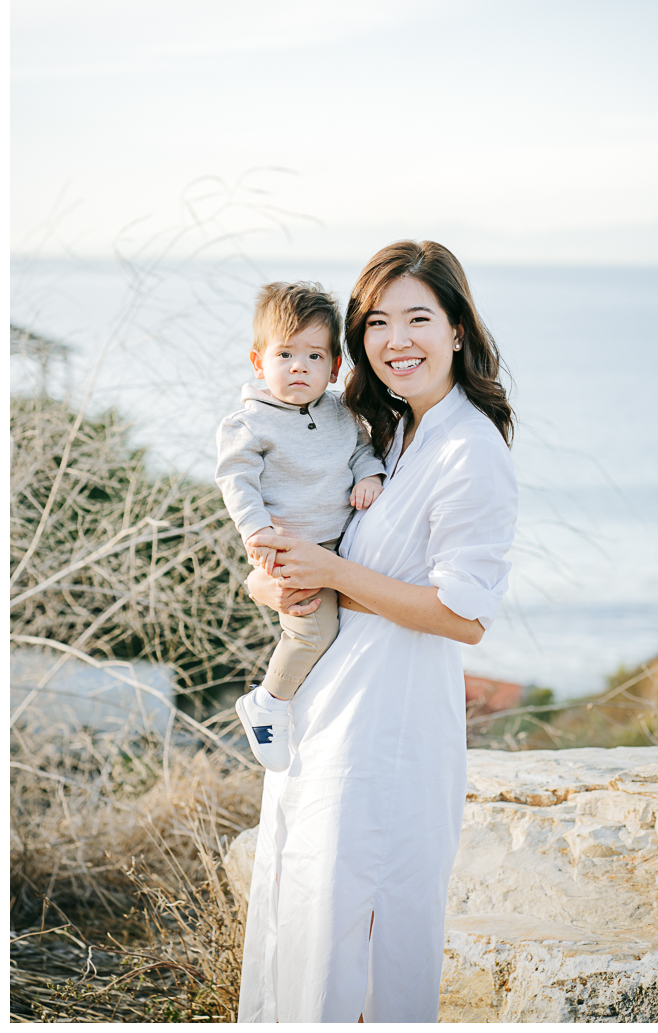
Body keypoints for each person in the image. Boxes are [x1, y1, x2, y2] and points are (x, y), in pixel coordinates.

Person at [237, 241, 517, 1023]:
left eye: (419, 318)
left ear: (457, 329)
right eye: (377, 322)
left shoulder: (470, 449)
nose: (397, 340)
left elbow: (463, 615)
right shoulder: (384, 435)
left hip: (388, 734)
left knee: (362, 945)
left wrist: (327, 577)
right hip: (326, 716)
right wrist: (273, 580)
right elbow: (306, 567)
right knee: (308, 931)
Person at [215, 282, 385, 771]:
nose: (298, 367)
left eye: (313, 356)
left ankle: (300, 705)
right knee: (312, 631)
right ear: (258, 362)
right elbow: (237, 481)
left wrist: (368, 472)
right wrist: (257, 533)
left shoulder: (340, 411)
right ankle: (268, 704)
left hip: (339, 542)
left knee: (343, 635)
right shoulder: (247, 424)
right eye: (285, 354)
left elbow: (359, 449)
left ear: (334, 368)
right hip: (291, 548)